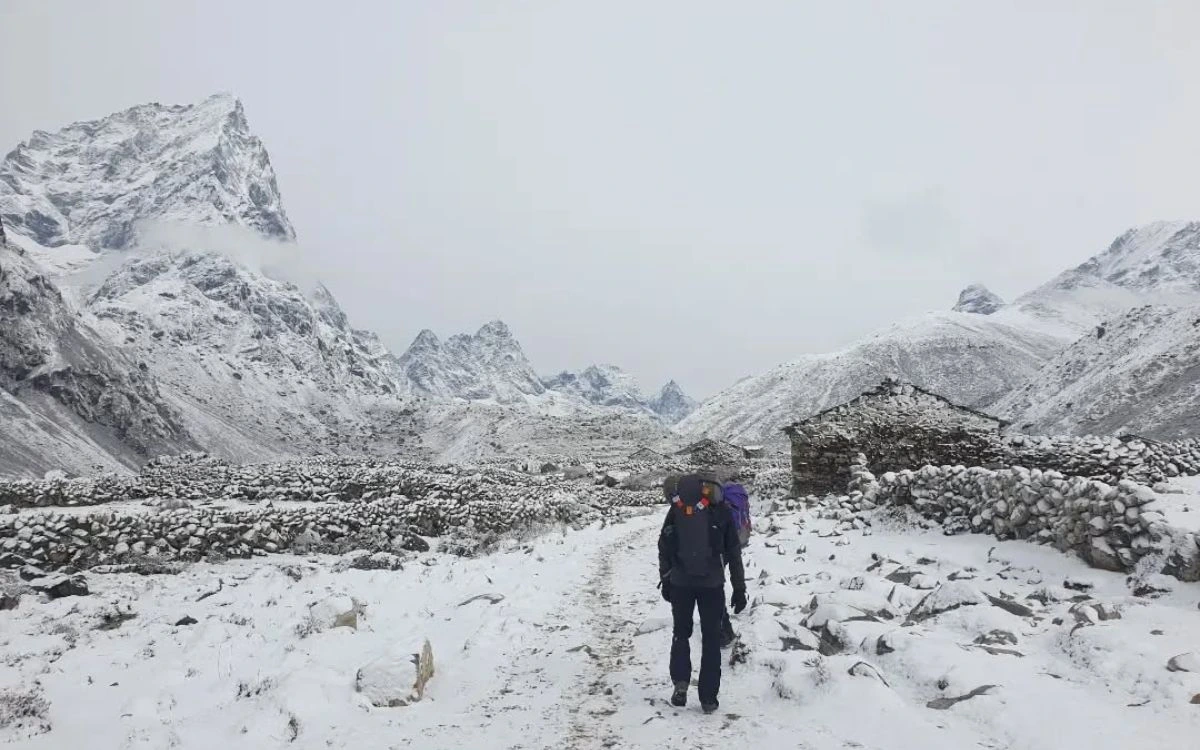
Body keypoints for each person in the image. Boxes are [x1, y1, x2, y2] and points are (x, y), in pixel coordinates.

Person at [658, 473, 747, 714]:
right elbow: (734, 552)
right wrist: (739, 588)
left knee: (681, 633)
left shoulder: (677, 509)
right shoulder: (720, 511)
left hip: (680, 583)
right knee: (710, 640)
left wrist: (665, 579)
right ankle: (708, 699)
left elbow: (664, 546)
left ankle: (680, 684)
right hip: (712, 585)